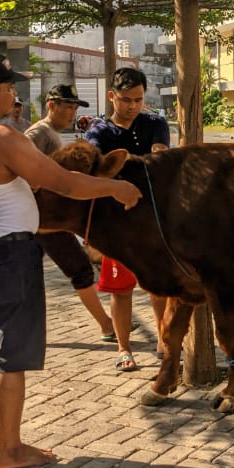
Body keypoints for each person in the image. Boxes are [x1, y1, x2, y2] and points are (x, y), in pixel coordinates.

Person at [0, 53, 141, 468]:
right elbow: (61, 182)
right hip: (6, 253)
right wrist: (115, 189)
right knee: (10, 356)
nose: (14, 95)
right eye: (9, 88)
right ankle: (9, 450)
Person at [84, 67, 171, 371]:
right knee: (120, 290)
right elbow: (96, 167)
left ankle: (164, 340)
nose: (132, 105)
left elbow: (160, 157)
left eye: (138, 99)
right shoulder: (99, 132)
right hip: (117, 225)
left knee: (158, 286)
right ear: (112, 97)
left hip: (153, 219)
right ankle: (124, 348)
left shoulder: (156, 123)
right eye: (125, 100)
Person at [25, 85, 115, 340]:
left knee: (28, 276)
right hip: (45, 220)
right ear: (51, 105)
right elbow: (20, 167)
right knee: (80, 269)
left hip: (46, 218)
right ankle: (107, 325)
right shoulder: (38, 133)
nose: (72, 113)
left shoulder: (51, 133)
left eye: (75, 108)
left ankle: (22, 330)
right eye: (67, 107)